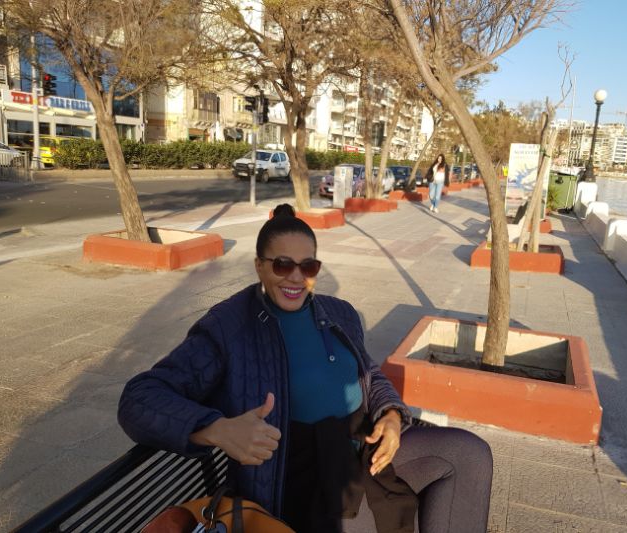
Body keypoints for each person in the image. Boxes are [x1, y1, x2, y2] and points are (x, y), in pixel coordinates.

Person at [118, 204, 492, 533]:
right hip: (298, 475)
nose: (296, 277)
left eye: (308, 265)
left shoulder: (339, 313)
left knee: (469, 454)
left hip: (362, 449)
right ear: (259, 267)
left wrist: (392, 414)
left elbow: (369, 372)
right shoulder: (229, 327)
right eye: (282, 265)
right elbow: (138, 399)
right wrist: (215, 429)